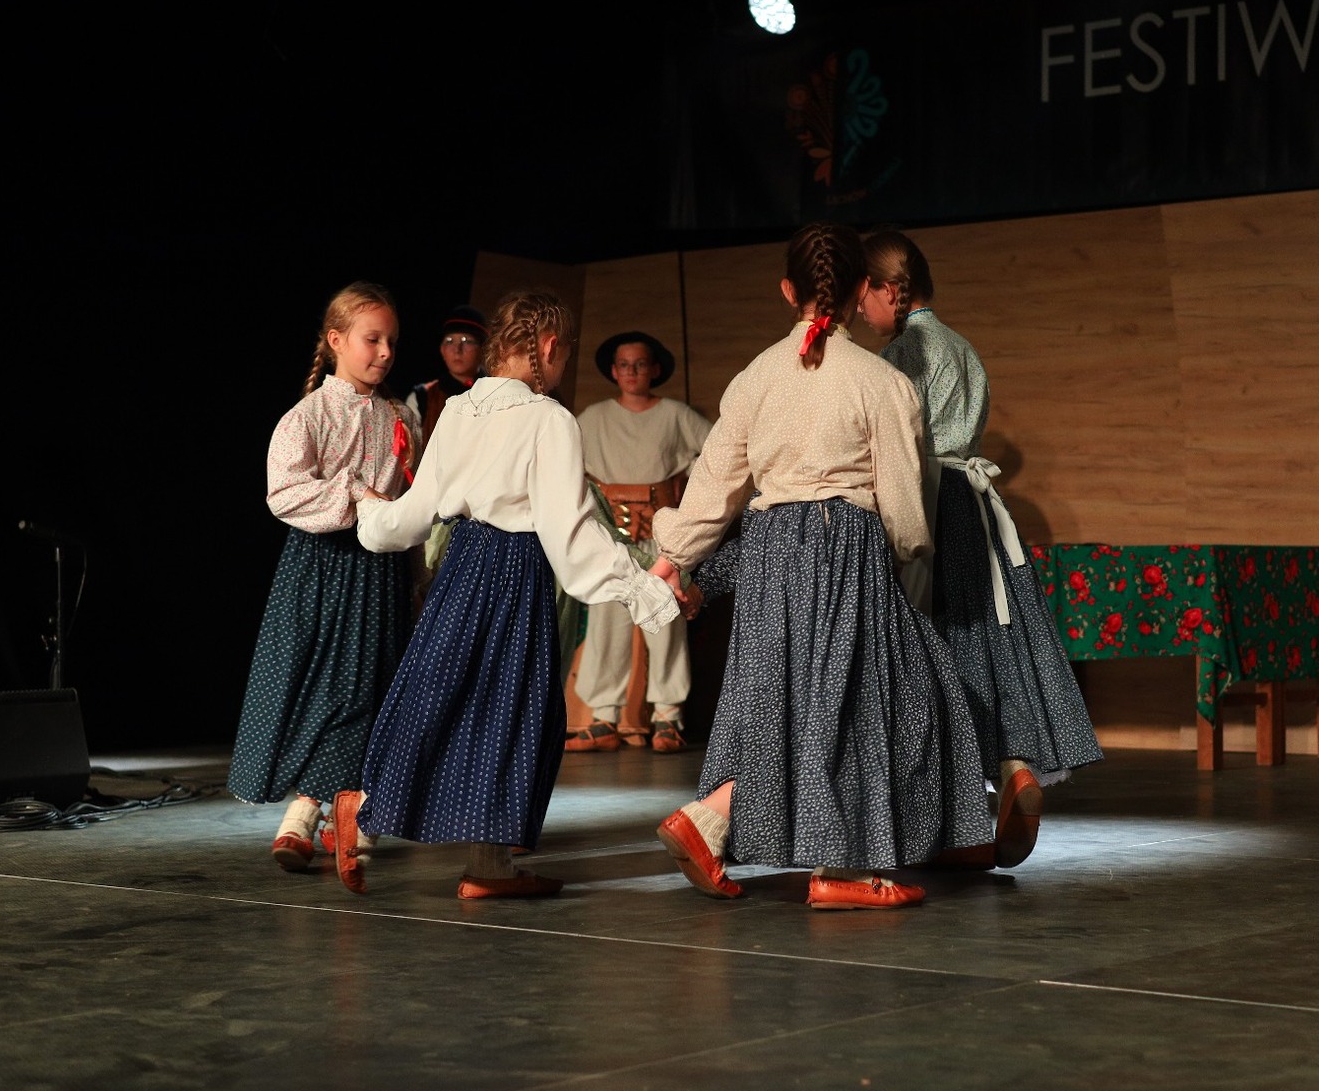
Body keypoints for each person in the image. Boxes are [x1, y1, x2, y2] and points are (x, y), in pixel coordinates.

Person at [646, 224, 992, 911]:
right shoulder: (881, 381)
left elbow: (714, 484)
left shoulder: (756, 376)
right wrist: (910, 554)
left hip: (770, 547)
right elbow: (903, 504)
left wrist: (672, 558)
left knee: (786, 703)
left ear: (787, 290)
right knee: (869, 697)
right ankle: (843, 868)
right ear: (862, 290)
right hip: (843, 545)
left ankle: (710, 818)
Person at [353, 289, 680, 899]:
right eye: (566, 356)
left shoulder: (459, 410)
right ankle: (473, 856)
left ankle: (463, 853)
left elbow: (418, 512)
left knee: (440, 694)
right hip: (514, 574)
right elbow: (571, 534)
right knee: (514, 712)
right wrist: (645, 591)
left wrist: (373, 517)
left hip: (461, 567)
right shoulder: (548, 419)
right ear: (549, 348)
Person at [859, 230, 1102, 869]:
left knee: (928, 649)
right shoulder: (963, 347)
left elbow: (894, 444)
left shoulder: (900, 356)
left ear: (889, 291)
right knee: (987, 642)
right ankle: (1014, 765)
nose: (860, 310)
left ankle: (950, 815)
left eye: (864, 296)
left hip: (926, 501)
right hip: (973, 506)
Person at [229, 282, 417, 888]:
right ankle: (312, 814)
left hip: (379, 569)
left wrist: (412, 551)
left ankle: (328, 816)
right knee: (326, 688)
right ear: (336, 340)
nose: (384, 352)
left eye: (391, 341)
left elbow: (412, 494)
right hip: (322, 566)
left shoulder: (400, 416)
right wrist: (357, 495)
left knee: (370, 690)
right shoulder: (308, 415)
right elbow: (283, 492)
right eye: (372, 339)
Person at [568, 331, 710, 754]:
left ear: (654, 369)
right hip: (611, 536)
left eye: (640, 364)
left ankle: (668, 716)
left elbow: (717, 453)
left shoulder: (675, 415)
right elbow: (566, 463)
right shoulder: (593, 418)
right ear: (614, 372)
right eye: (624, 365)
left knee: (665, 618)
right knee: (607, 623)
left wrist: (686, 492)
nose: (632, 372)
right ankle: (604, 717)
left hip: (660, 535)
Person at [409, 305, 485, 445]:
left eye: (467, 341)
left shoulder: (495, 394)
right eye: (449, 341)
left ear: (483, 349)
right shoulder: (422, 397)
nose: (457, 350)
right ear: (442, 349)